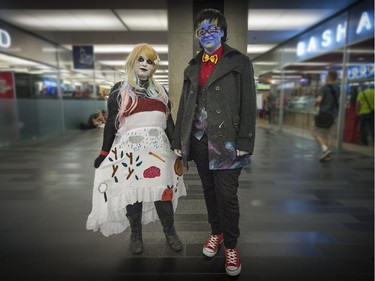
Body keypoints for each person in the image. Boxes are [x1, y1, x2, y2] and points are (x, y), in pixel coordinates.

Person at [171, 9, 256, 277]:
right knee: (208, 191)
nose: (207, 34)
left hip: (228, 143)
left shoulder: (239, 62)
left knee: (227, 196)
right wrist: (179, 140)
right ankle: (216, 233)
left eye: (212, 29)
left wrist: (245, 140)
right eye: (202, 30)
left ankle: (231, 245)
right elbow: (185, 105)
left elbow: (249, 103)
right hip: (199, 140)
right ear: (198, 36)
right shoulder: (192, 66)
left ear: (222, 32)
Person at [86, 43, 186, 254]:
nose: (144, 64)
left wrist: (177, 145)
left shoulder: (160, 91)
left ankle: (170, 232)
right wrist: (104, 153)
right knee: (133, 195)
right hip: (131, 154)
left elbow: (169, 123)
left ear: (154, 67)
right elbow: (112, 124)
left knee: (163, 193)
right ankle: (136, 234)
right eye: (140, 59)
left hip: (159, 153)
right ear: (132, 61)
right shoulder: (119, 92)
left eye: (150, 61)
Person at [312, 71, 340, 161]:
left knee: (316, 132)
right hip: (334, 114)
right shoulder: (338, 88)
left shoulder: (324, 88)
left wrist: (314, 104)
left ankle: (325, 149)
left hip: (324, 114)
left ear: (328, 77)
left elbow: (319, 100)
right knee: (330, 135)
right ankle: (327, 154)